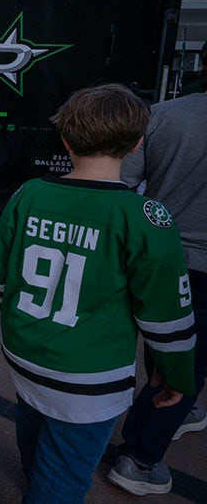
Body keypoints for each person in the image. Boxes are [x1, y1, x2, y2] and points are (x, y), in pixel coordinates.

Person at [0, 83, 196, 504]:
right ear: (138, 142)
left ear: (65, 138)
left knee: (34, 436)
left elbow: (3, 282)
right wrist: (177, 375)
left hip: (25, 353)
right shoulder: (144, 217)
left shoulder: (27, 194)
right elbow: (166, 316)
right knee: (64, 479)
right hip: (89, 376)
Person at [108, 71, 207, 496]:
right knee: (191, 360)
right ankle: (141, 458)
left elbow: (120, 187)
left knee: (165, 344)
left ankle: (169, 412)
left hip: (162, 255)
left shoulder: (162, 116)